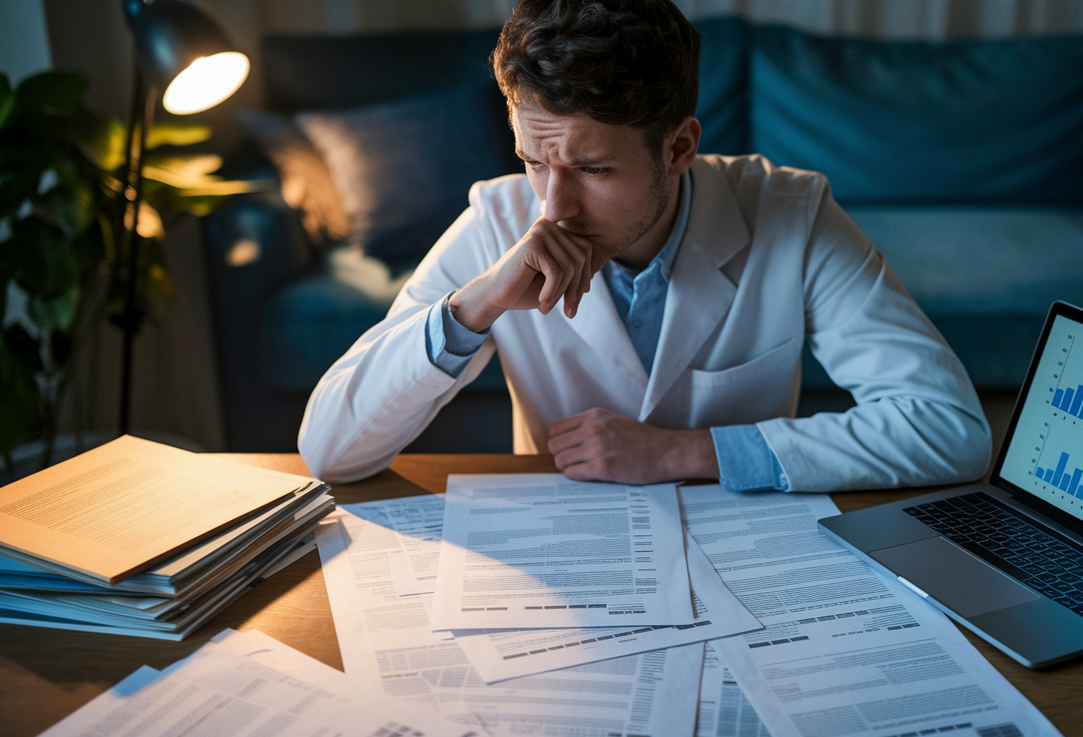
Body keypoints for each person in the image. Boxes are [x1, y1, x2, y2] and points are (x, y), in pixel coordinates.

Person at [299, 0, 991, 492]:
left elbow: (950, 430)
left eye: (592, 170)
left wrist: (684, 453)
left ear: (680, 146)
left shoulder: (794, 213)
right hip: (568, 566)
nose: (552, 207)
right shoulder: (495, 223)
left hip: (748, 551)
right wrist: (472, 307)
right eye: (533, 161)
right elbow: (329, 451)